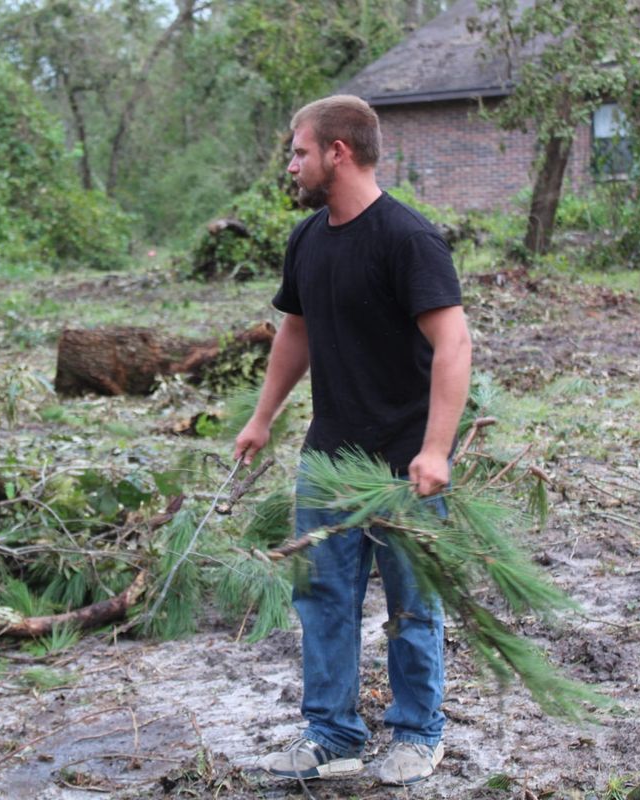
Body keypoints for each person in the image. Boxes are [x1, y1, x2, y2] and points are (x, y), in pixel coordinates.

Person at [233, 94, 472, 786]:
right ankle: (332, 734)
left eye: (299, 150)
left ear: (338, 151)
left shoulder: (407, 239)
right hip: (328, 458)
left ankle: (419, 733)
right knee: (325, 600)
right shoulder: (308, 238)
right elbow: (296, 332)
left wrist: (435, 449)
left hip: (402, 462)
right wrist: (263, 416)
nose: (291, 164)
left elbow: (453, 342)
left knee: (411, 605)